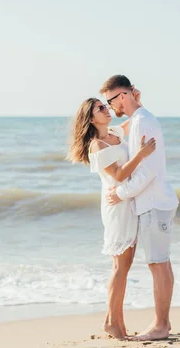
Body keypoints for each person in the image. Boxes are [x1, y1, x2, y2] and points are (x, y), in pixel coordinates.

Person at [67, 90, 156, 340]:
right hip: (116, 204)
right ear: (91, 119)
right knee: (120, 266)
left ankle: (116, 321)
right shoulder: (97, 144)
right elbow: (118, 175)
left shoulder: (114, 133)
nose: (106, 109)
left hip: (127, 200)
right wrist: (141, 154)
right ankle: (110, 321)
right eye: (100, 109)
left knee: (124, 266)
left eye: (105, 106)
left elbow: (134, 120)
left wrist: (135, 100)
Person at [102, 74, 179, 341]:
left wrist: (120, 194)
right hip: (152, 203)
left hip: (155, 201)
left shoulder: (143, 121)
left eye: (110, 101)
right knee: (159, 263)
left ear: (122, 95)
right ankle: (162, 323)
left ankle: (161, 325)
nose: (110, 107)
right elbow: (113, 130)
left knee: (158, 264)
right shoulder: (137, 120)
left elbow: (147, 172)